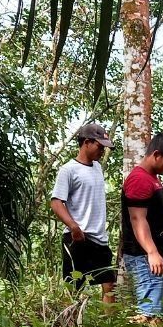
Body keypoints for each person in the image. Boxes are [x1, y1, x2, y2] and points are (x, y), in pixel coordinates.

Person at [51, 122, 116, 303]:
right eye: (99, 146)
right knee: (74, 286)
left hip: (99, 239)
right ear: (86, 142)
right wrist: (74, 227)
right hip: (78, 238)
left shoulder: (97, 168)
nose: (102, 151)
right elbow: (57, 202)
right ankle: (67, 326)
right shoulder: (68, 170)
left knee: (109, 284)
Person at [121, 133, 163, 320]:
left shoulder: (151, 178)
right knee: (149, 315)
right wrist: (152, 252)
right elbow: (137, 219)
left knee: (161, 315)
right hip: (144, 257)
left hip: (154, 256)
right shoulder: (140, 179)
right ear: (156, 154)